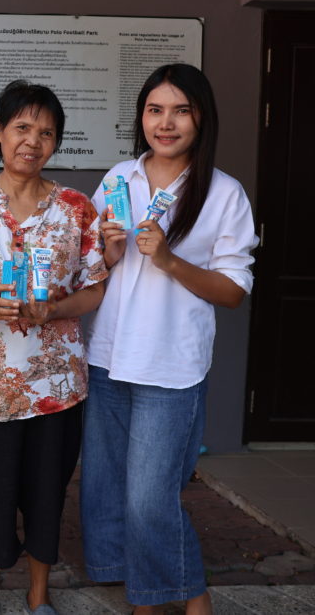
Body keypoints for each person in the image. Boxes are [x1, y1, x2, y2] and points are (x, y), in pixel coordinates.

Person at [81, 64, 258, 615]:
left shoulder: (223, 193)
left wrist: (169, 259)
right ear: (141, 117)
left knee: (150, 498)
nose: (166, 123)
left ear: (201, 118)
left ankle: (190, 595)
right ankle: (142, 592)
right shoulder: (119, 178)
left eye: (181, 111)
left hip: (171, 366)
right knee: (105, 488)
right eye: (155, 110)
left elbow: (233, 291)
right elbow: (90, 266)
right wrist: (108, 252)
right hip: (109, 355)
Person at [0, 81, 107, 615]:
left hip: (54, 383)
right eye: (21, 128)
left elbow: (95, 288)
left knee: (45, 493)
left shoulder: (76, 209)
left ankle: (39, 595)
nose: (32, 142)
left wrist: (54, 310)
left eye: (46, 133)